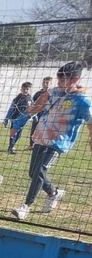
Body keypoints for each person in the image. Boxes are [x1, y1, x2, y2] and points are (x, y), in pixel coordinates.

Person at [13, 62, 91, 221]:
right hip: (41, 136)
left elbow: (90, 122)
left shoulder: (82, 100)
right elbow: (36, 108)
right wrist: (29, 110)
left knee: (40, 170)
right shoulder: (53, 93)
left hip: (58, 141)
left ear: (75, 79)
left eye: (64, 80)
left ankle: (25, 206)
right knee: (33, 173)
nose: (60, 82)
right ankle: (54, 193)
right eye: (59, 78)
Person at [4, 81, 33, 154]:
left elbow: (33, 108)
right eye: (24, 89)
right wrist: (6, 119)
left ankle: (11, 146)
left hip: (23, 120)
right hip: (15, 119)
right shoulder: (18, 98)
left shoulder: (30, 98)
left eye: (27, 89)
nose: (25, 90)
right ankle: (11, 148)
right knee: (14, 133)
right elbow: (11, 108)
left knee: (19, 135)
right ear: (21, 89)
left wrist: (34, 116)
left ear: (30, 89)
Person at [29, 76, 53, 149]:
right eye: (44, 82)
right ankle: (31, 145)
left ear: (51, 84)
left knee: (45, 131)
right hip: (37, 115)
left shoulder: (52, 94)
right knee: (34, 129)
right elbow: (33, 103)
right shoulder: (38, 93)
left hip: (47, 115)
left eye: (47, 82)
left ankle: (43, 145)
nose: (45, 84)